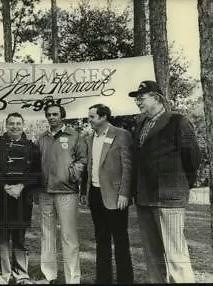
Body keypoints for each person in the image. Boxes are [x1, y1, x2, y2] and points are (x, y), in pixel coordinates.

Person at [128, 80, 201, 283]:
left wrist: (182, 185)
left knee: (176, 255)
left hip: (169, 198)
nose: (138, 102)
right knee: (152, 256)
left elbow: (193, 157)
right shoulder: (141, 125)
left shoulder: (177, 121)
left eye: (141, 98)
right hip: (144, 198)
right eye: (136, 99)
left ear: (157, 98)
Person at [80, 104, 134, 283]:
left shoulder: (121, 135)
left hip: (116, 196)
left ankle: (125, 280)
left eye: (92, 117)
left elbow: (128, 167)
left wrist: (125, 194)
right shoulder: (89, 138)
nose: (89, 120)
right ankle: (103, 280)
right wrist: (84, 191)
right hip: (95, 194)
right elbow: (89, 167)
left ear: (103, 117)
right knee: (101, 240)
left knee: (120, 240)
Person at [0, 112, 41, 285]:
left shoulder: (32, 147)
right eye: (11, 123)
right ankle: (3, 275)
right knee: (2, 237)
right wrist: (6, 187)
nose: (15, 126)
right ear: (6, 125)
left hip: (23, 198)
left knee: (19, 238)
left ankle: (21, 275)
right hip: (1, 197)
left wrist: (20, 186)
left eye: (18, 123)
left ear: (23, 125)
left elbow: (36, 173)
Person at [36, 104, 86, 284]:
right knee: (47, 235)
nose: (51, 117)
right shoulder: (42, 138)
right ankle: (49, 275)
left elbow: (83, 159)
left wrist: (73, 174)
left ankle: (73, 278)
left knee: (68, 236)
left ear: (62, 116)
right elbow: (37, 163)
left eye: (55, 114)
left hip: (67, 192)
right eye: (48, 115)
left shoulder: (74, 135)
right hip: (45, 193)